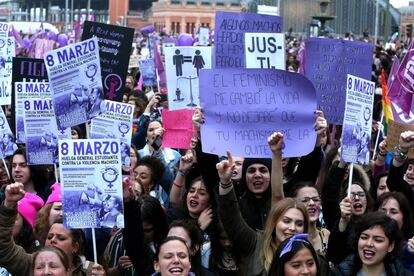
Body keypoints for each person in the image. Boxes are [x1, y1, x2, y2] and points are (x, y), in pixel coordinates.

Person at [217, 150, 309, 275]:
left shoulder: (311, 257)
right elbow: (231, 218)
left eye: (299, 223)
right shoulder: (255, 245)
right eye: (286, 221)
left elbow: (277, 194)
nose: (292, 228)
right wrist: (225, 182)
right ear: (275, 221)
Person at [0, 182, 106, 275]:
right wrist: (9, 205)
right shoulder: (30, 263)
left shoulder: (89, 271)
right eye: (49, 237)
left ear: (75, 246)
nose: (52, 240)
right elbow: (3, 247)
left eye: (61, 238)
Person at [331, 212, 411, 275]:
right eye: (364, 237)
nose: (369, 244)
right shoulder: (339, 272)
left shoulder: (403, 273)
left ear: (391, 246)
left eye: (378, 240)